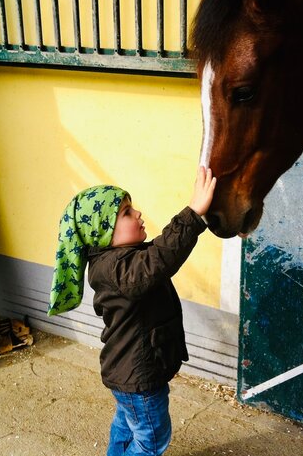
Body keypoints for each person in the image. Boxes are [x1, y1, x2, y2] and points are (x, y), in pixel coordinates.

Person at [48, 166, 216, 455]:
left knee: (127, 427)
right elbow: (160, 259)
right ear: (101, 232)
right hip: (139, 377)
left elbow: (161, 250)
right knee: (151, 442)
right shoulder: (117, 269)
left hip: (131, 374)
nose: (137, 213)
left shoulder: (121, 260)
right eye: (126, 212)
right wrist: (193, 213)